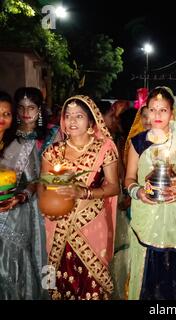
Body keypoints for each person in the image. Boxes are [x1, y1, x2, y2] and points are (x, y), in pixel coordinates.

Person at [41, 95, 120, 300]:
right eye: (67, 116)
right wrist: (48, 207)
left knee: (92, 287)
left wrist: (84, 193)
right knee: (59, 281)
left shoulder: (104, 149)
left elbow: (113, 187)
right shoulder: (52, 152)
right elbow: (43, 187)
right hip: (57, 227)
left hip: (91, 225)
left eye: (79, 116)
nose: (72, 121)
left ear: (91, 121)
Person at [125, 86, 176, 300]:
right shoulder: (138, 142)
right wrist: (138, 193)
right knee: (147, 270)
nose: (157, 115)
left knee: (173, 272)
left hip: (174, 215)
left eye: (163, 110)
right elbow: (128, 179)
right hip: (145, 214)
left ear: (172, 111)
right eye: (152, 109)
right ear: (146, 111)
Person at [0, 91, 48, 299]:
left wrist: (21, 197)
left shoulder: (24, 142)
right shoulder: (16, 140)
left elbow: (35, 180)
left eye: (6, 114)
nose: (2, 119)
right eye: (21, 108)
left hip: (16, 213)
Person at [14, 87, 62, 156]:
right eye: (21, 107)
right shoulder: (9, 132)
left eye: (31, 108)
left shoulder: (52, 133)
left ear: (39, 109)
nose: (25, 112)